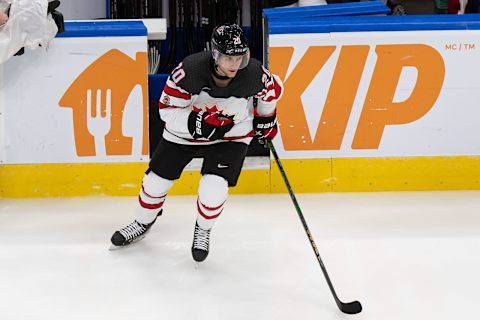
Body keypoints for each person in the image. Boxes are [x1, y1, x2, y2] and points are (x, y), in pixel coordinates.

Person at [110, 23, 284, 262]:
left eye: (240, 57)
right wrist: (194, 123)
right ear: (215, 54)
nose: (235, 64)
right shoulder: (189, 71)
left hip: (231, 135)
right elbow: (167, 110)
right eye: (228, 58)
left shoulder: (254, 74)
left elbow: (271, 92)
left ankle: (203, 229)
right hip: (184, 134)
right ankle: (142, 222)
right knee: (155, 183)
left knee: (213, 188)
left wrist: (266, 119)